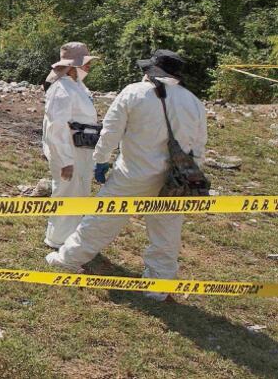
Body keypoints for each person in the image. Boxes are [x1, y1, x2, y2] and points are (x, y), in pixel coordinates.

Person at [46, 49, 208, 301]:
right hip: (173, 179)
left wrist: (101, 160)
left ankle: (68, 259)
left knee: (101, 221)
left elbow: (111, 132)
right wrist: (187, 175)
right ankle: (158, 285)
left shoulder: (134, 93)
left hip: (133, 174)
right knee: (166, 233)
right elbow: (198, 147)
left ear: (150, 72)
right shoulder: (194, 102)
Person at [41, 42, 99, 249]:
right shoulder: (62, 90)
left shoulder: (78, 86)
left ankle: (71, 239)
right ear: (72, 66)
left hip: (81, 149)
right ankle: (58, 240)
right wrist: (66, 161)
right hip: (69, 152)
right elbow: (56, 128)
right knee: (66, 193)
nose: (88, 66)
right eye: (85, 63)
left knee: (78, 194)